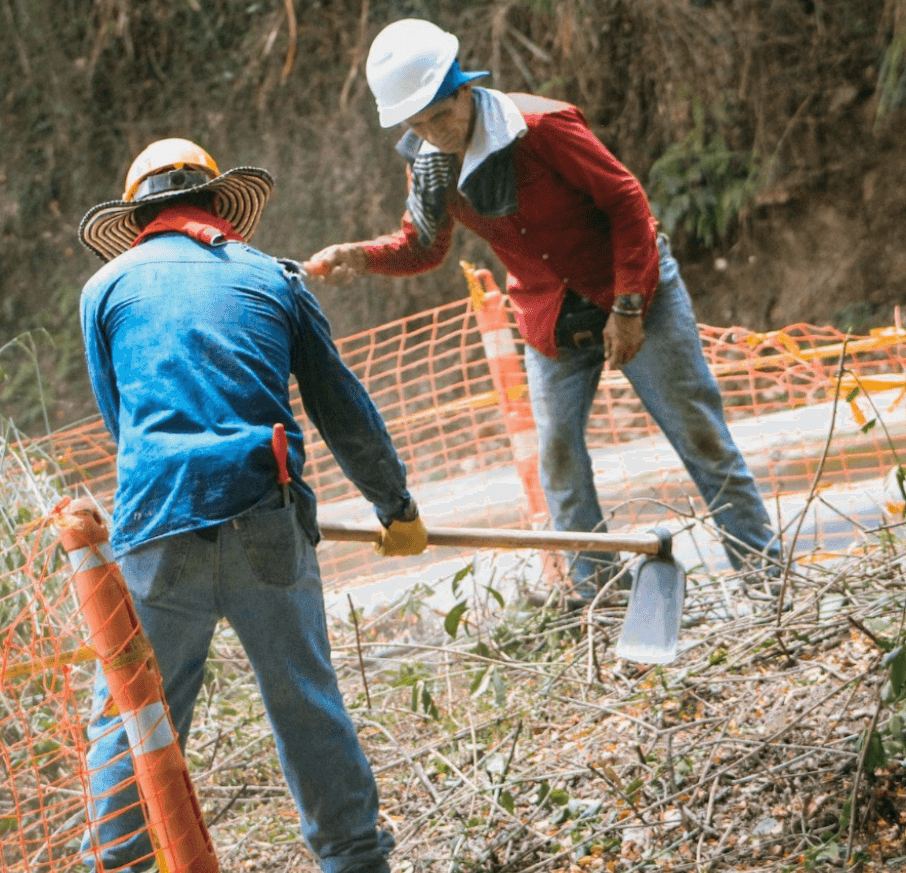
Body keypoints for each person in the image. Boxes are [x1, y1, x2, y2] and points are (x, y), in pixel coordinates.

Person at [73, 138, 425, 873]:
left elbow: (120, 422)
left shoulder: (104, 288)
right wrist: (394, 506)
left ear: (139, 217)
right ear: (217, 202)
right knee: (306, 701)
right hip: (265, 511)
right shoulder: (275, 277)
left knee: (132, 717)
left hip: (156, 526)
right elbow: (342, 406)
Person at [308, 19, 779, 598]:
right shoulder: (431, 163)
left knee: (700, 436)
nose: (436, 131)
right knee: (558, 458)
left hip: (631, 289)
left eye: (441, 113)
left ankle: (767, 582)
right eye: (418, 123)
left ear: (463, 87)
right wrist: (361, 255)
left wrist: (629, 308)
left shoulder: (541, 126)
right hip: (549, 312)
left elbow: (626, 201)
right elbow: (423, 246)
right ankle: (597, 602)